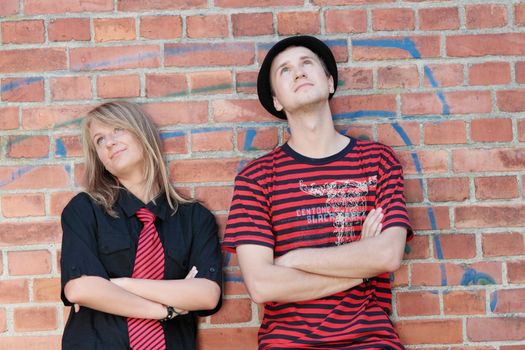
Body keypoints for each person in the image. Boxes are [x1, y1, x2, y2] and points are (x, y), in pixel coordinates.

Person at [223, 35, 413, 349]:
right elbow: (261, 285)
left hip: (369, 340)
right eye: (284, 70)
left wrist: (295, 259)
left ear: (329, 82)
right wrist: (360, 269)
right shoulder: (256, 179)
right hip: (288, 343)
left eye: (306, 63)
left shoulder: (378, 161)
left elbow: (387, 254)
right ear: (277, 102)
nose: (298, 73)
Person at [60, 101, 222, 349]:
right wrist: (165, 310)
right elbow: (79, 289)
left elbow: (206, 295)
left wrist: (118, 284)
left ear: (142, 133)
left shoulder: (195, 219)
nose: (109, 142)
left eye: (117, 129)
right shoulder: (84, 210)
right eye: (99, 140)